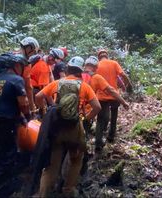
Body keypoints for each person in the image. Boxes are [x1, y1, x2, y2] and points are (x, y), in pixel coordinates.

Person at [35, 56, 101, 197]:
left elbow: (38, 97)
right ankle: (68, 190)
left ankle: (44, 193)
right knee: (76, 159)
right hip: (74, 128)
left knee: (52, 165)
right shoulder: (84, 86)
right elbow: (97, 107)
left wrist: (45, 110)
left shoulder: (57, 83)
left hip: (56, 129)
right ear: (80, 71)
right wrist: (86, 119)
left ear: (68, 69)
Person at [0, 53, 31, 197]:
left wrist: (19, 116)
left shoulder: (0, 79)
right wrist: (27, 116)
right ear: (17, 66)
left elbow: (6, 101)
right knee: (8, 157)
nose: (23, 69)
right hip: (5, 124)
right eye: (22, 66)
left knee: (2, 154)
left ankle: (2, 182)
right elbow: (24, 103)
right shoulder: (17, 80)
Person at [95, 49, 133, 152]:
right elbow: (123, 75)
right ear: (107, 55)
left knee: (100, 119)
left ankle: (98, 142)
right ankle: (111, 136)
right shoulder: (114, 63)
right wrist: (128, 85)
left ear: (99, 57)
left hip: (101, 96)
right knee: (114, 116)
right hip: (114, 95)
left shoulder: (96, 65)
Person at [82, 56, 129, 135]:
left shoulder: (76, 75)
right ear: (96, 67)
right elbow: (111, 90)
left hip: (69, 112)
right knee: (84, 129)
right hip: (86, 113)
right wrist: (123, 102)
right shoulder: (97, 78)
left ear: (85, 65)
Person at [18, 37, 40, 115]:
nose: (33, 54)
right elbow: (28, 87)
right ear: (29, 48)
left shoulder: (11, 56)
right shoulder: (25, 62)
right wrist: (32, 107)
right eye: (33, 51)